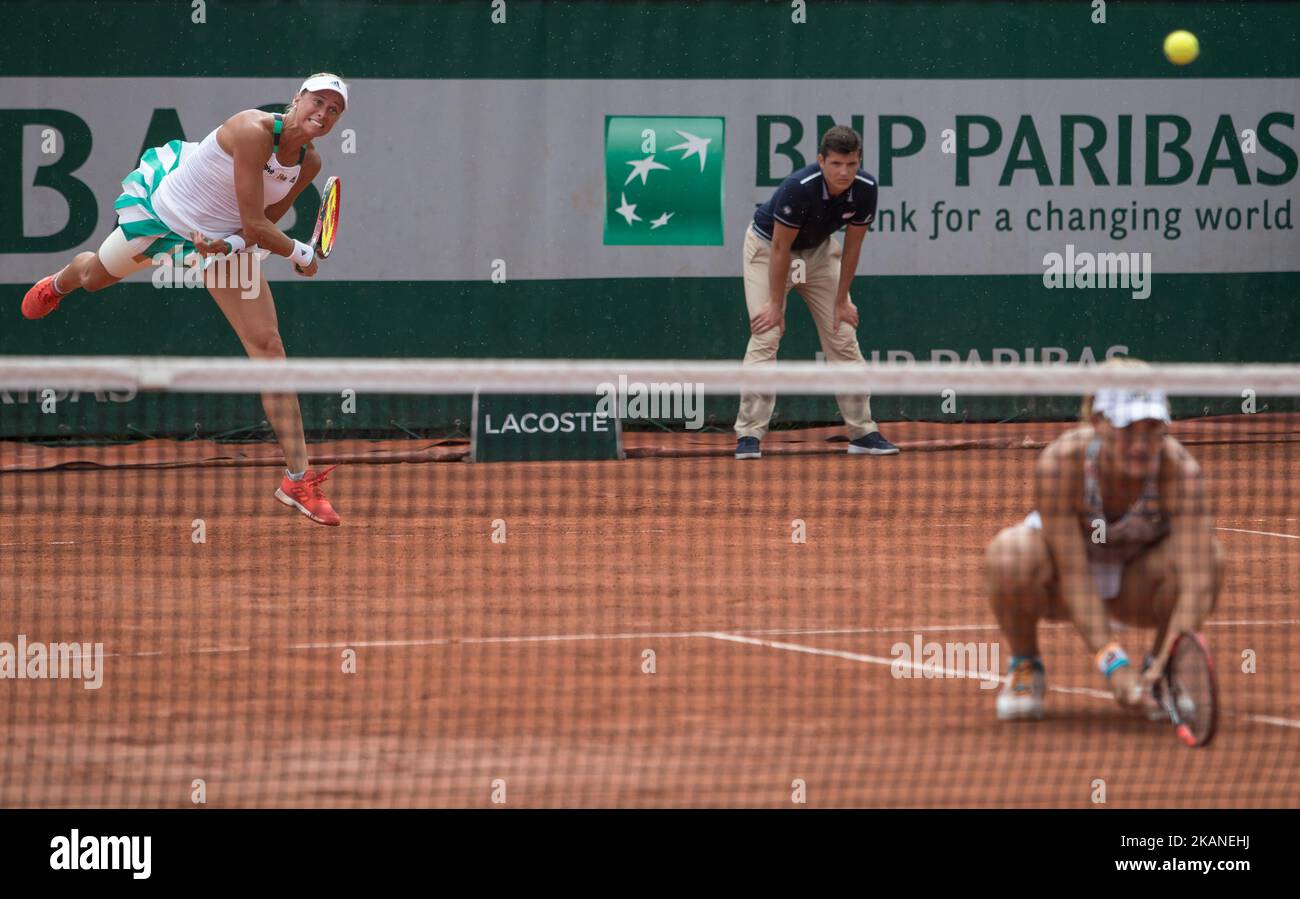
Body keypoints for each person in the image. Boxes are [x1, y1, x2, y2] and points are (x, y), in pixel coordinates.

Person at [20, 74, 349, 526]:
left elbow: (258, 225)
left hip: (220, 242)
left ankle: (297, 479)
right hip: (166, 216)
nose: (323, 113)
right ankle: (60, 282)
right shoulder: (251, 130)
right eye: (318, 101)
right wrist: (301, 254)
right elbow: (259, 225)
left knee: (269, 349)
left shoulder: (308, 163)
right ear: (297, 99)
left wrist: (226, 246)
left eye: (334, 110)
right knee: (95, 277)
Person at [984, 362, 1224, 720]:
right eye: (1127, 430)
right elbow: (1074, 575)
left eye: (1152, 428)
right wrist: (1114, 665)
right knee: (1010, 555)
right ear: (1097, 422)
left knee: (1209, 558)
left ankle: (1162, 674)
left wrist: (1167, 658)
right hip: (1066, 585)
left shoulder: (1181, 473)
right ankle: (1026, 664)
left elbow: (1197, 581)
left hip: (1138, 584)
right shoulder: (1061, 465)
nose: (1140, 445)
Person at [733, 125, 897, 460]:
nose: (844, 172)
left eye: (851, 164)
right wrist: (775, 304)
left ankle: (862, 432)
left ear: (859, 161)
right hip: (769, 250)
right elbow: (781, 249)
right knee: (767, 334)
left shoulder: (865, 188)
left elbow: (852, 247)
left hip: (819, 254)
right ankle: (749, 434)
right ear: (821, 161)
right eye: (836, 163)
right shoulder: (798, 188)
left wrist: (842, 300)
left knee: (843, 334)